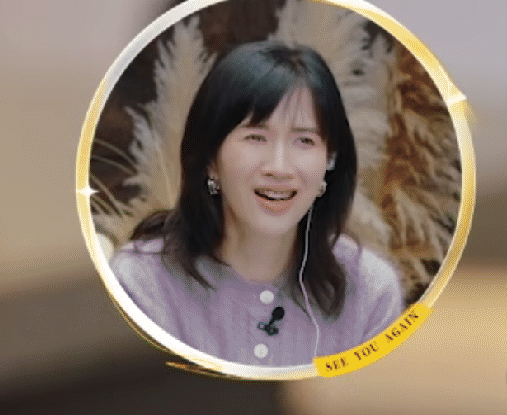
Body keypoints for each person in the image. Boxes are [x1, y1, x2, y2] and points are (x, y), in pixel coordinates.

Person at [111, 39, 404, 367]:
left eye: (304, 140)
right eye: (256, 137)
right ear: (210, 159)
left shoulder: (371, 294)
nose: (279, 168)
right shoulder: (142, 283)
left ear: (330, 160)